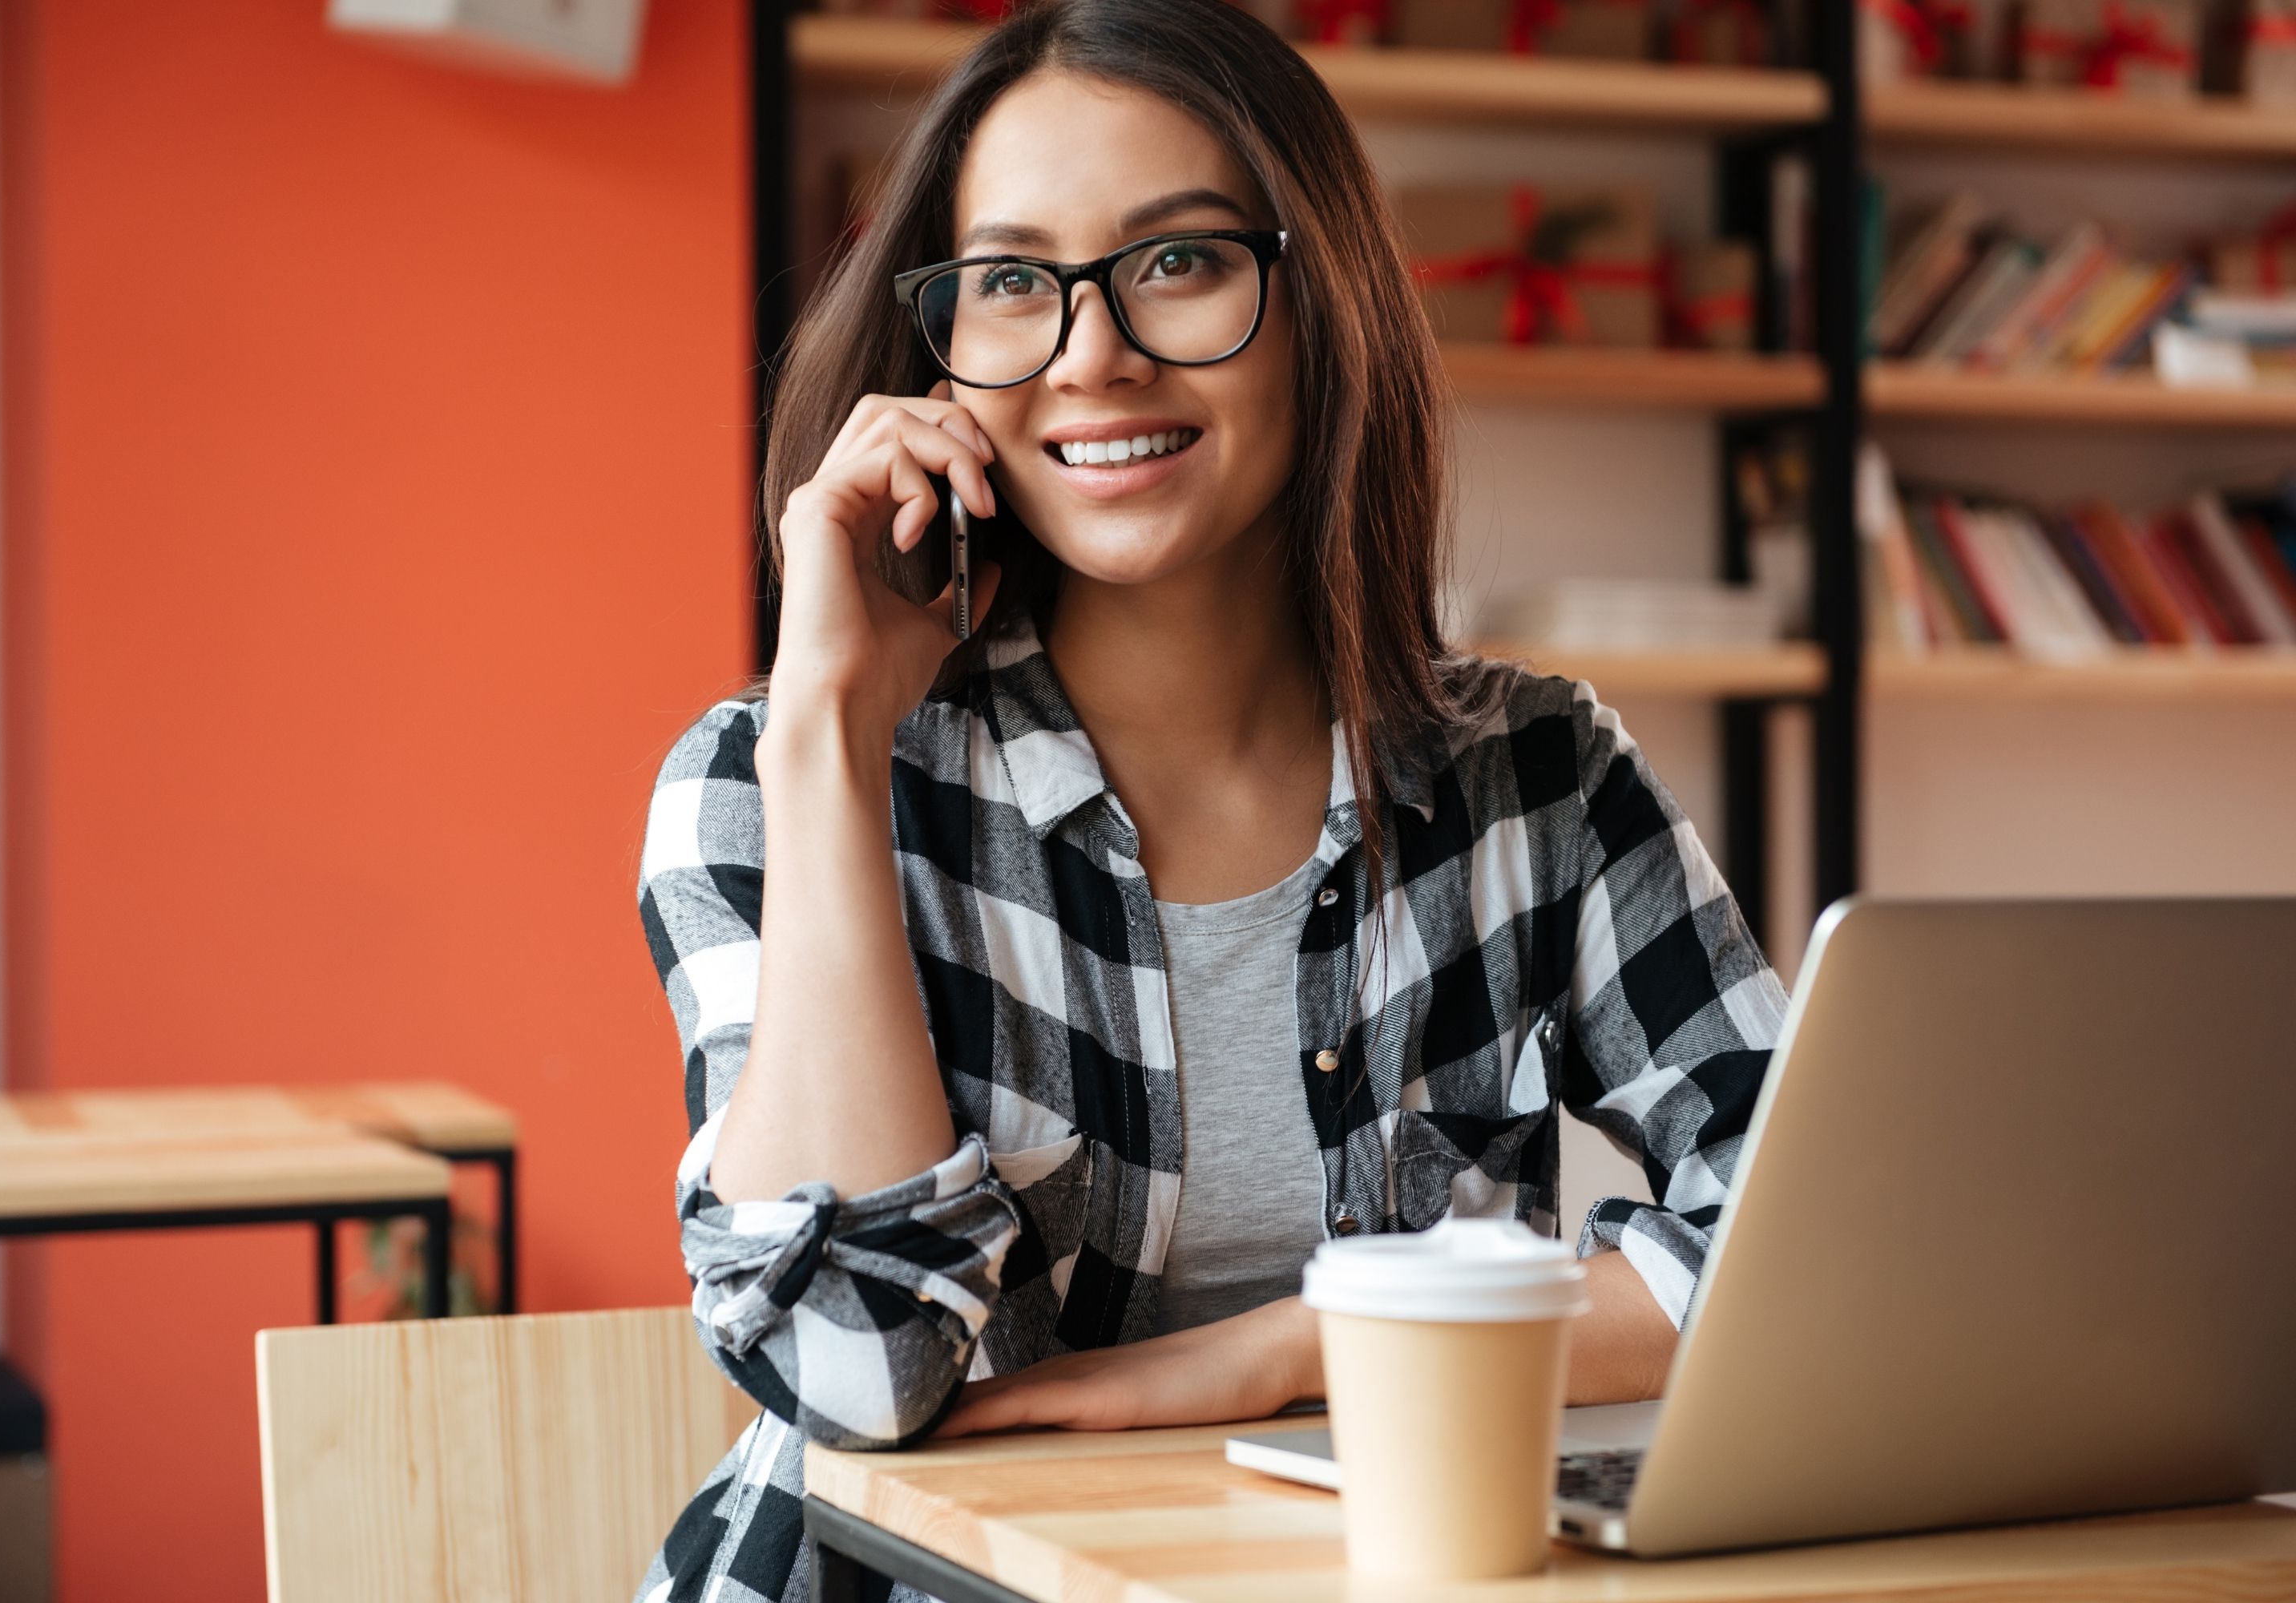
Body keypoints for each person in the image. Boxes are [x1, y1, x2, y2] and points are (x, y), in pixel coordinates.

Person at [631, 2, 1786, 1597]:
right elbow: (852, 1364)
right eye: (1016, 281)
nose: (1091, 352)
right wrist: (827, 722)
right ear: (941, 349)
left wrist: (1291, 1350)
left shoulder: (1537, 780)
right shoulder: (764, 786)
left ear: (1323, 302)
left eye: (1177, 261)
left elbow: (1814, 1255)